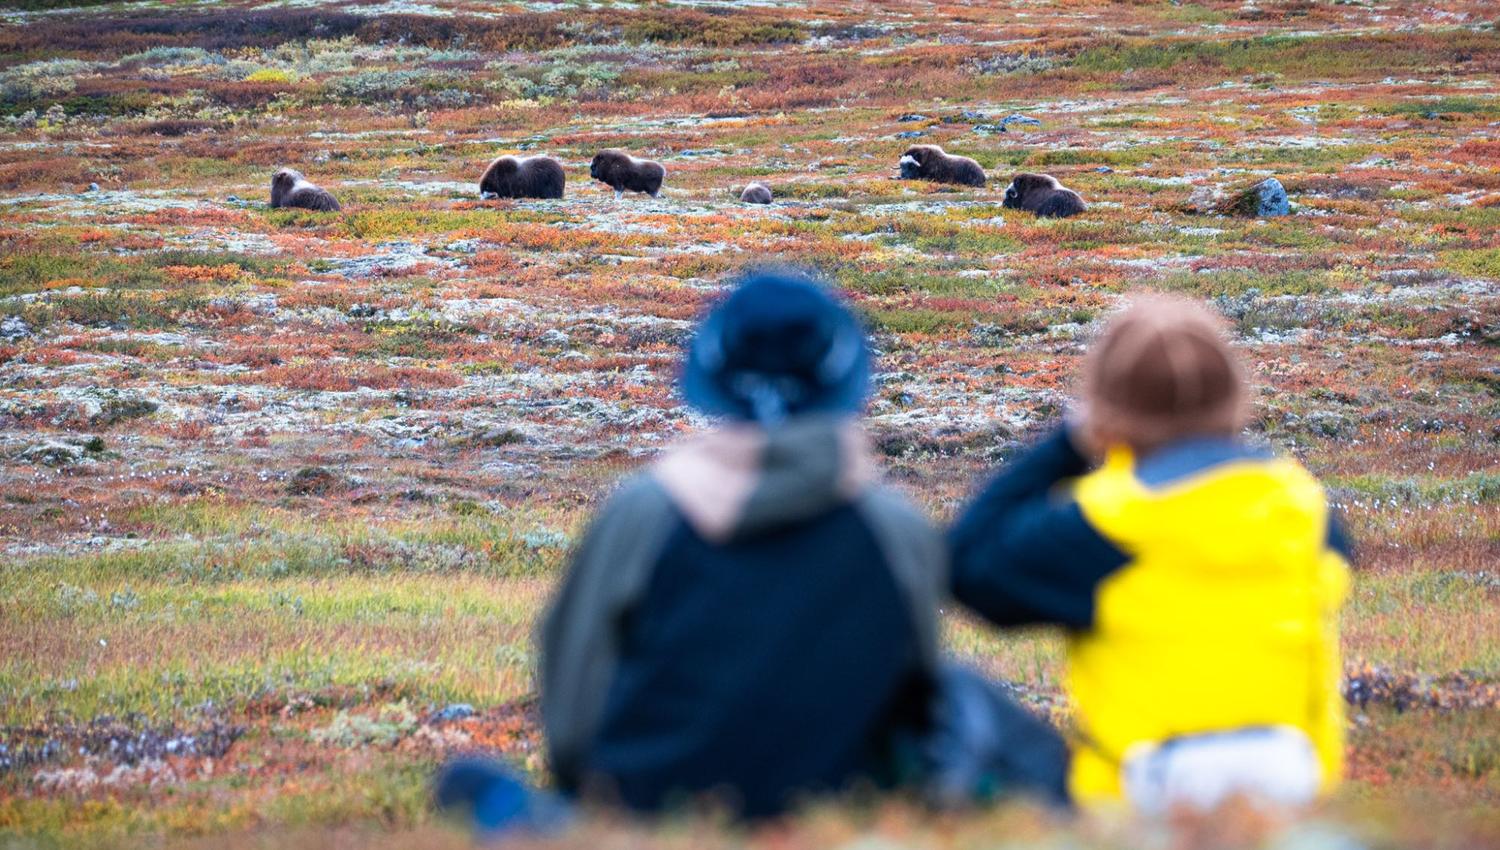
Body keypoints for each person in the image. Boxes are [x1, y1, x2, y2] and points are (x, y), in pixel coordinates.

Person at [437, 270, 1068, 834]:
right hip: (836, 811)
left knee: (467, 784)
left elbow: (572, 711)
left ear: (711, 373)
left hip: (645, 809)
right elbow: (913, 697)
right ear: (844, 376)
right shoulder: (894, 528)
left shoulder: (644, 512)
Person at [948, 294, 1353, 814]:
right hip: (1296, 790)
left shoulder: (1104, 528)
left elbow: (966, 564)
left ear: (1107, 411)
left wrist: (1069, 447)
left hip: (1142, 799)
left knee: (960, 698)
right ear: (1233, 396)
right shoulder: (1304, 508)